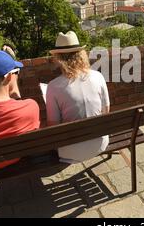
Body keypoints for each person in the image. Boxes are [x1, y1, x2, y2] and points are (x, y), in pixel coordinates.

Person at [46, 31, 110, 164]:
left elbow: (53, 126)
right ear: (81, 54)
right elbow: (106, 111)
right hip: (101, 144)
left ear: (58, 59)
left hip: (70, 152)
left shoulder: (53, 87)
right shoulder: (98, 76)